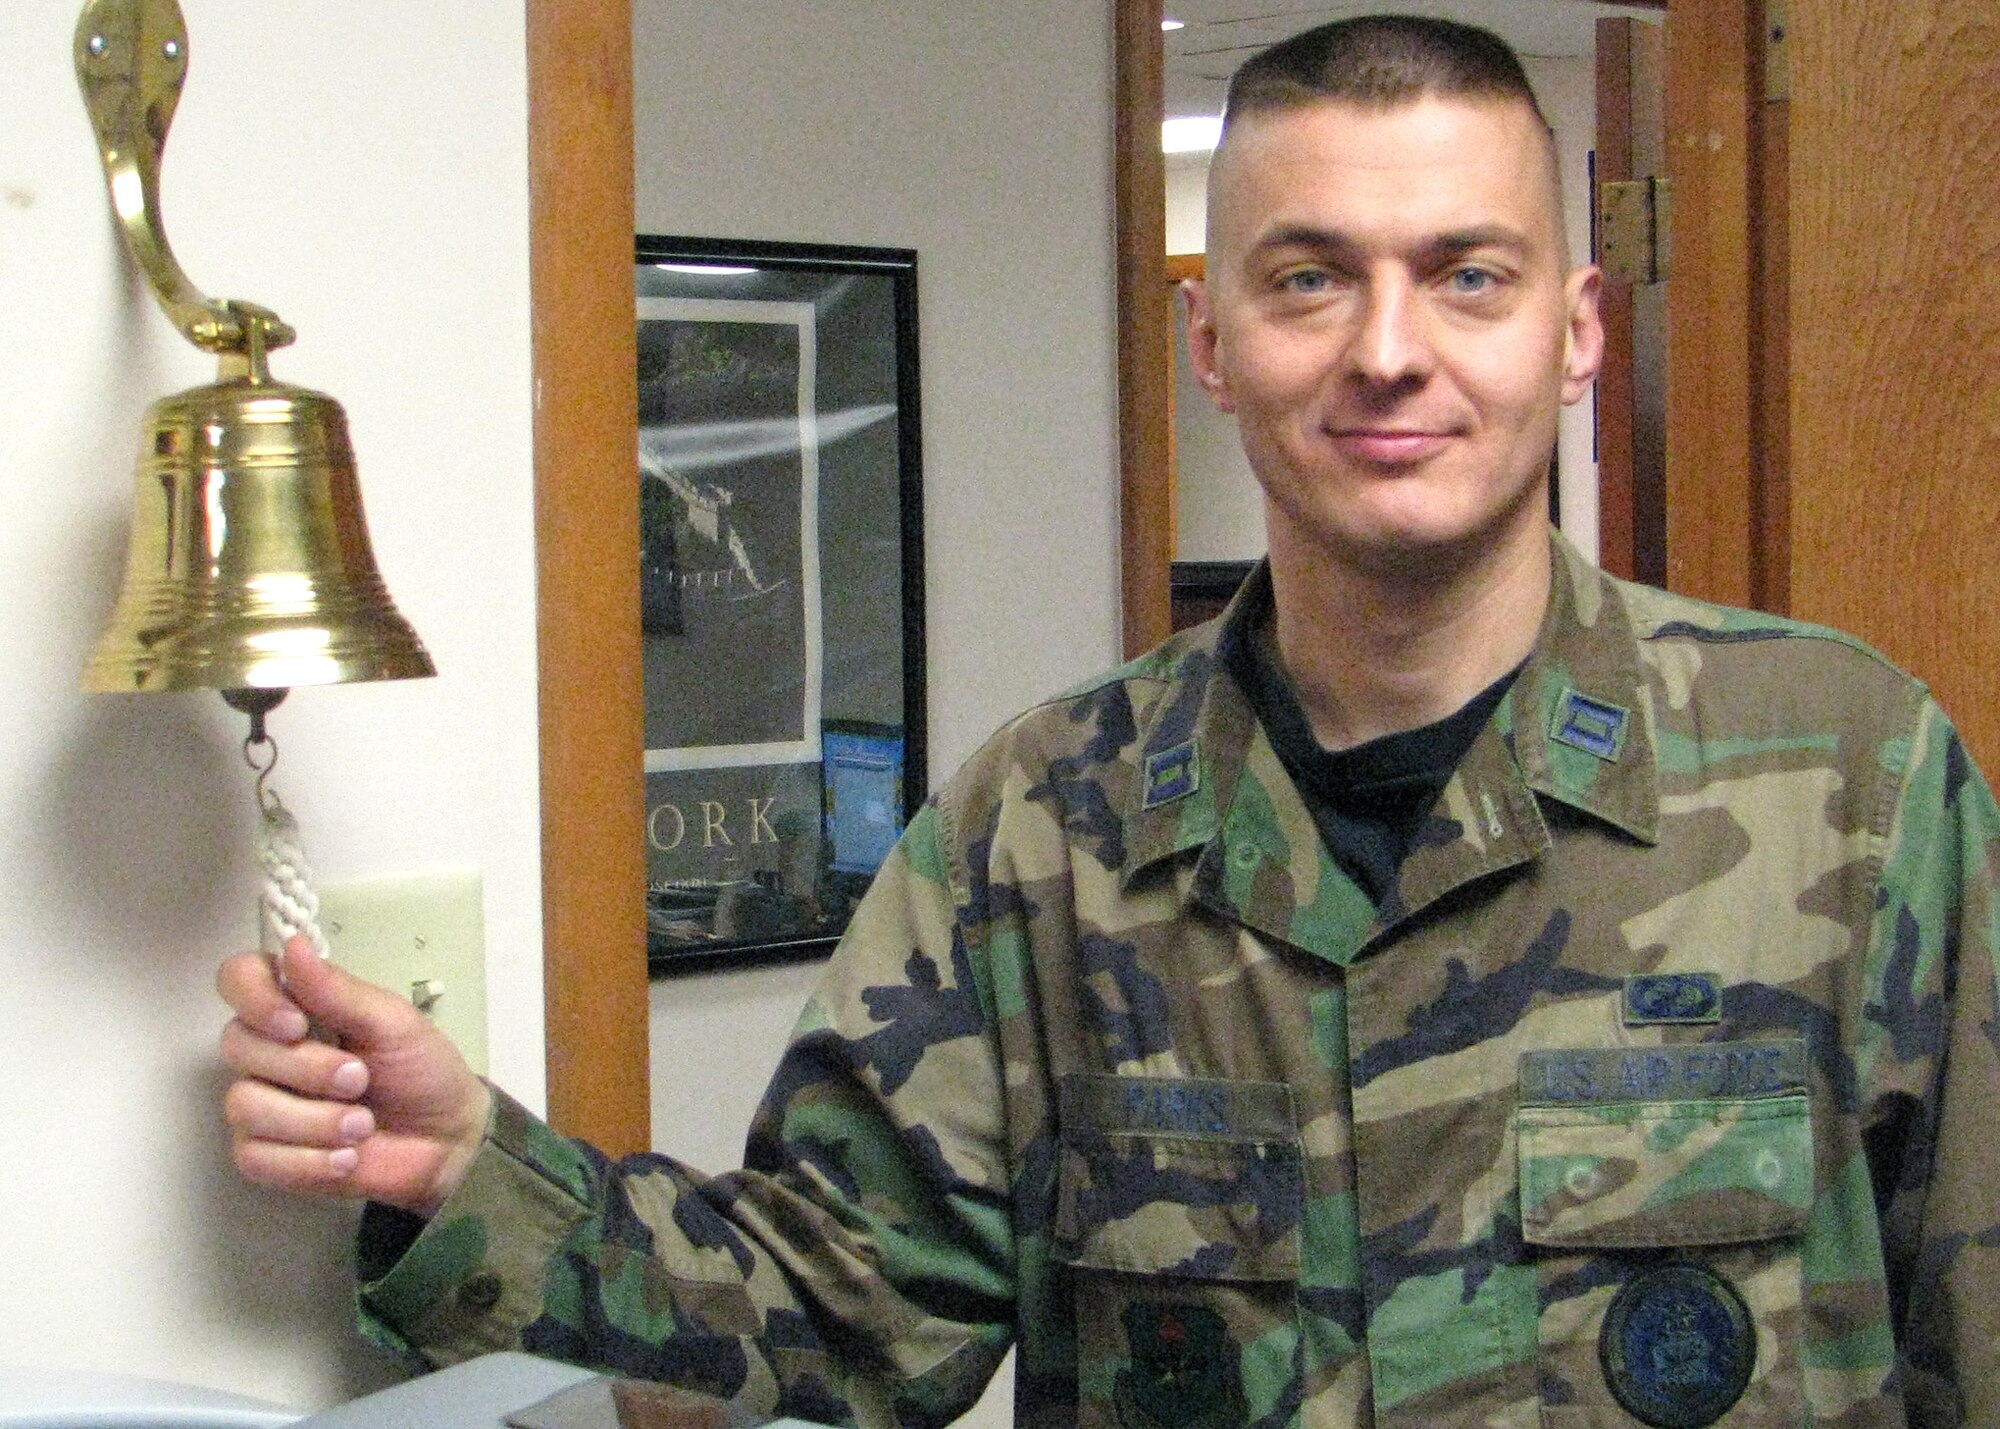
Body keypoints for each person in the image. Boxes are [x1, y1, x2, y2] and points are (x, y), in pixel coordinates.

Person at [218, 16, 2000, 1428]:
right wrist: (473, 1172)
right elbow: (838, 1308)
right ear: (1210, 339)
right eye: (1309, 277)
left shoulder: (1847, 771)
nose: (1390, 348)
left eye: (1470, 273)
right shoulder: (1044, 827)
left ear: (1577, 330)